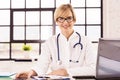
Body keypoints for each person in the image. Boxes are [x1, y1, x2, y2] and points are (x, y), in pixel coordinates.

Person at [15, 4, 97, 79]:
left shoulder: (85, 41)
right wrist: (31, 72)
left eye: (69, 18)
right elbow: (42, 64)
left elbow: (93, 69)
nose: (65, 22)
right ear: (56, 21)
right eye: (61, 18)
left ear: (74, 20)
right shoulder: (50, 42)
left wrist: (66, 72)